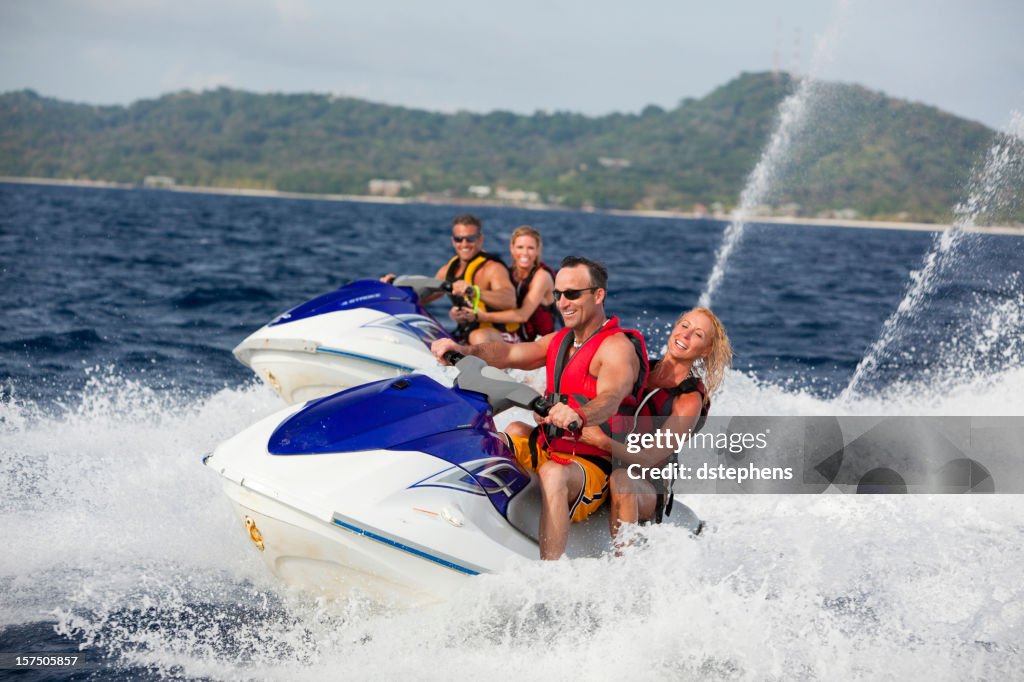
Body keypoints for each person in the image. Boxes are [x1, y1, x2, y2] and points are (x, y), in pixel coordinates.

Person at [431, 256, 648, 559]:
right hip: (549, 445)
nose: (562, 303)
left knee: (553, 474)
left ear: (598, 295)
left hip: (590, 464)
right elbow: (508, 353)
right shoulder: (560, 340)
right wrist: (463, 349)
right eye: (558, 294)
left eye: (572, 294)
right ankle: (446, 521)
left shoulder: (617, 349)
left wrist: (580, 415)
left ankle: (549, 576)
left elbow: (611, 397)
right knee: (491, 437)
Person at [578, 307, 732, 539]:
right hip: (604, 463)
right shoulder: (639, 368)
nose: (685, 335)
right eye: (684, 325)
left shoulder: (688, 400)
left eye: (698, 335)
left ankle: (624, 564)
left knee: (622, 479)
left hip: (647, 486)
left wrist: (602, 441)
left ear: (706, 350)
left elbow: (649, 458)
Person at [383, 214, 517, 344]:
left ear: (480, 239)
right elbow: (424, 299)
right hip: (466, 333)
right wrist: (392, 289)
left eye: (470, 239)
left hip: (500, 336)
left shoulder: (492, 268)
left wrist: (473, 291)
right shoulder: (447, 270)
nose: (464, 244)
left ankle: (486, 366)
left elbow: (509, 300)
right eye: (459, 239)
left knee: (478, 337)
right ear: (453, 241)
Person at [460, 225, 560, 342]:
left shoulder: (542, 276)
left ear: (538, 250)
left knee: (479, 337)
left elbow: (523, 315)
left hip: (539, 342)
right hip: (517, 337)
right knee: (473, 335)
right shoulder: (509, 272)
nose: (525, 253)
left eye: (531, 248)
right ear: (512, 249)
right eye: (520, 247)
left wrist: (483, 317)